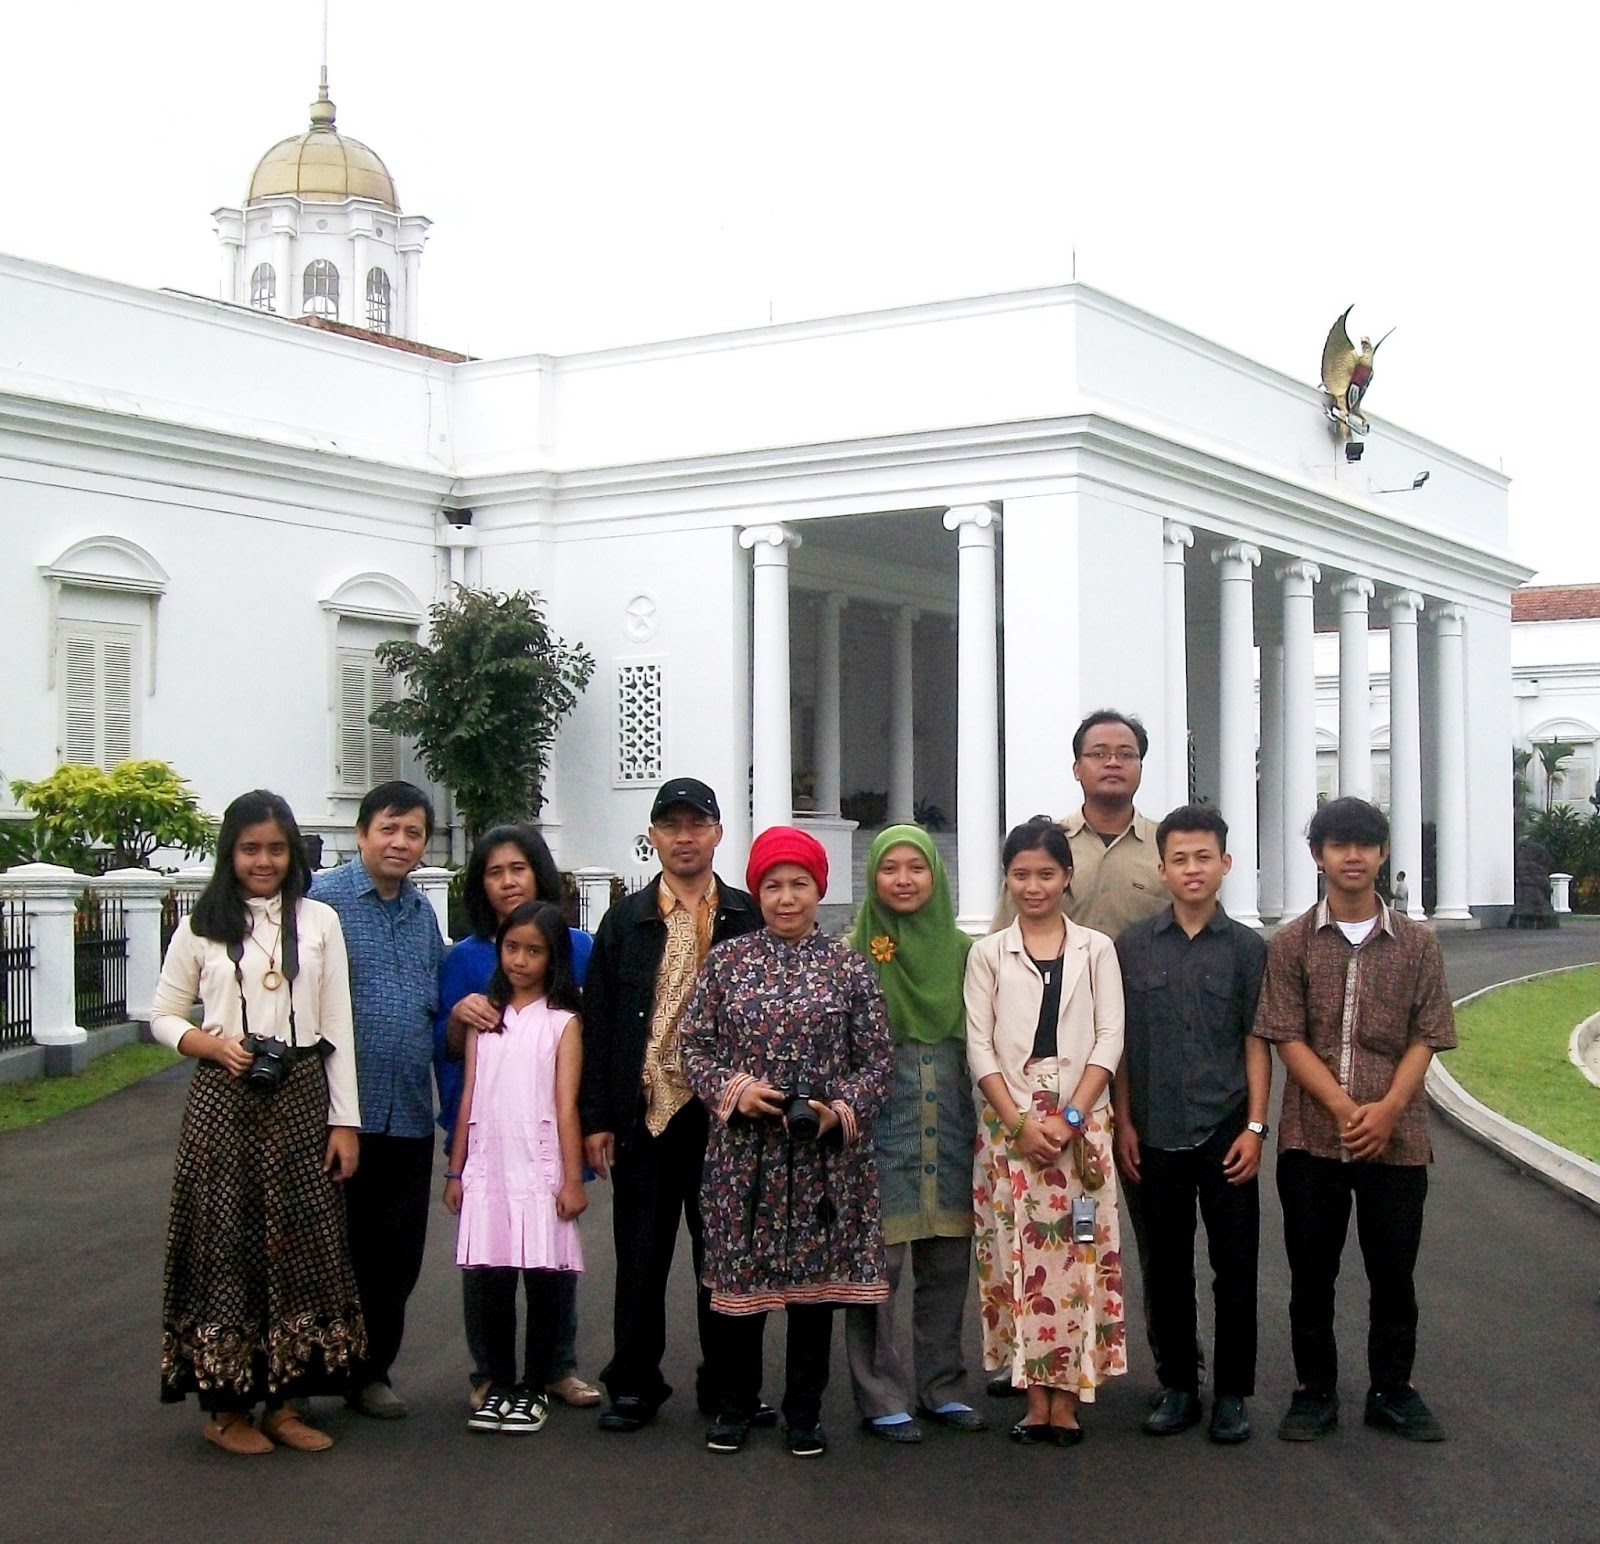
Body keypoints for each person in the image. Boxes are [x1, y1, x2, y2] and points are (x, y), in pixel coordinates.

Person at [152, 790, 363, 1455]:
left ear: (292, 851)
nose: (264, 861)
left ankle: (288, 1403)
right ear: (230, 853)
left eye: (275, 848)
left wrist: (344, 1123)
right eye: (250, 849)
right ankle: (226, 1410)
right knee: (227, 1247)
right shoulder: (202, 925)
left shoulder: (320, 921)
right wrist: (208, 1044)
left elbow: (339, 1029)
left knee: (300, 1248)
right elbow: (160, 1014)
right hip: (225, 1100)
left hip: (301, 1096)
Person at [681, 825, 894, 1458]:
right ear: (757, 893)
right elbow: (693, 1045)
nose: (786, 897)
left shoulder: (849, 965)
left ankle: (805, 1412)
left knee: (813, 1295)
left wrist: (840, 1111)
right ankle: (734, 1407)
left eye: (799, 884)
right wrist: (735, 1090)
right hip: (745, 1156)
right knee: (739, 1292)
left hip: (825, 1159)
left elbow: (877, 1059)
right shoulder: (728, 963)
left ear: (819, 890)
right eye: (772, 885)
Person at [1253, 796, 1456, 1444]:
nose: (1352, 856)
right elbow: (1285, 1035)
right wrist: (1342, 1109)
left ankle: (1393, 1390)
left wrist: (1389, 1109)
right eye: (1339, 845)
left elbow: (1428, 1032)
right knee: (1312, 1274)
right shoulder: (1290, 943)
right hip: (1311, 1139)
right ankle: (1314, 1391)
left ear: (1382, 853)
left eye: (1365, 845)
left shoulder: (1419, 944)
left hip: (1399, 1141)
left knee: (1394, 1273)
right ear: (1318, 855)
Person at [988, 710, 1172, 1396]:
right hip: (1049, 1065)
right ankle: (1033, 1357)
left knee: (1140, 1228)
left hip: (1139, 1051)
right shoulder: (1045, 846)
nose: (1112, 763)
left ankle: (1170, 1370)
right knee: (1037, 1227)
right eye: (1098, 753)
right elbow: (1005, 947)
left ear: (1141, 766)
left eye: (1126, 753)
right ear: (1078, 767)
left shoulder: (1164, 846)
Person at [579, 777, 765, 1432]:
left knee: (724, 1261)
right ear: (653, 835)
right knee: (641, 1257)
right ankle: (632, 1383)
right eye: (671, 825)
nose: (684, 838)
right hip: (648, 1114)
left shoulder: (747, 916)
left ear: (717, 833)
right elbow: (598, 1023)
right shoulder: (625, 920)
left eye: (697, 825)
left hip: (727, 1119)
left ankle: (728, 1385)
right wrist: (596, 1119)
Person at [966, 818, 1126, 1446]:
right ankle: (1034, 1399)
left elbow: (1110, 1036)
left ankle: (1072, 1394)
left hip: (1080, 1137)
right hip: (1012, 1133)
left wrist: (1071, 1118)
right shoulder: (988, 953)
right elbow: (978, 1045)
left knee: (1080, 1252)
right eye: (1021, 874)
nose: (1033, 887)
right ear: (1007, 878)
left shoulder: (1097, 950)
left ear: (1067, 877)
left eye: (1046, 874)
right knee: (1018, 1257)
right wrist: (1019, 1123)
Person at [1112, 804, 1268, 1444]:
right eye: (1180, 858)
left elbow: (1257, 1040)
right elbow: (1116, 1042)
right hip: (1152, 1131)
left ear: (1225, 864)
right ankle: (1178, 1384)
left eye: (1204, 856)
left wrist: (1256, 1128)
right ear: (1162, 868)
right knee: (1166, 1265)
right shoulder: (1132, 947)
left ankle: (1232, 1392)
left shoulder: (1249, 949)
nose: (1192, 869)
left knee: (1236, 1266)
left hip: (1226, 1129)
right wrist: (1123, 1121)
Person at [436, 825, 600, 1412]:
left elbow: (593, 1042)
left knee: (550, 1255)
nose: (507, 881)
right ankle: (490, 1373)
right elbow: (449, 1046)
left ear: (539, 873)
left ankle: (555, 1367)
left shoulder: (578, 947)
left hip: (549, 1136)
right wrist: (460, 1015)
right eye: (494, 872)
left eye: (518, 869)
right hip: (484, 1134)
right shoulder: (465, 958)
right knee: (489, 1261)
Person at [844, 825, 986, 1444]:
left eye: (916, 868)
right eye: (890, 869)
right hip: (880, 1132)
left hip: (951, 1126)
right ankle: (879, 1394)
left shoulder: (964, 953)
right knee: (880, 1268)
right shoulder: (852, 954)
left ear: (936, 877)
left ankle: (942, 1387)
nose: (903, 880)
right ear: (873, 879)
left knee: (948, 1265)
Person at [311, 780, 445, 1420]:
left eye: (413, 831)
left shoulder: (422, 915)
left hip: (409, 1115)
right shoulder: (321, 903)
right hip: (336, 1116)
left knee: (395, 1255)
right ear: (361, 833)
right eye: (389, 828)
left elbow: (427, 1005)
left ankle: (371, 1373)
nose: (400, 842)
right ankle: (305, 1375)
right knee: (324, 1248)